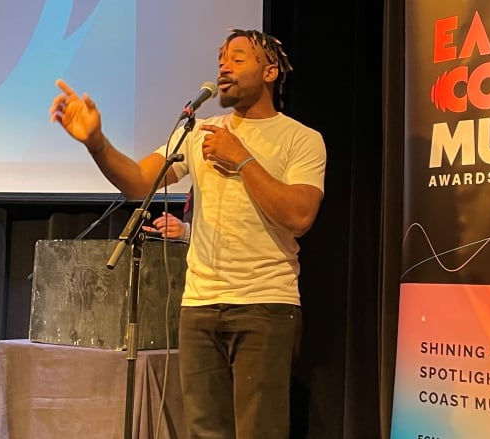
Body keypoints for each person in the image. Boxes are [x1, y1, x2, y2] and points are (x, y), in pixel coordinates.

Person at [49, 29, 326, 438]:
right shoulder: (200, 132)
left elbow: (300, 215)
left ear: (269, 72)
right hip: (199, 306)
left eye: (237, 58)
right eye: (221, 59)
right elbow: (141, 181)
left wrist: (242, 159)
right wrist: (97, 144)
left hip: (265, 304)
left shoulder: (301, 139)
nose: (223, 67)